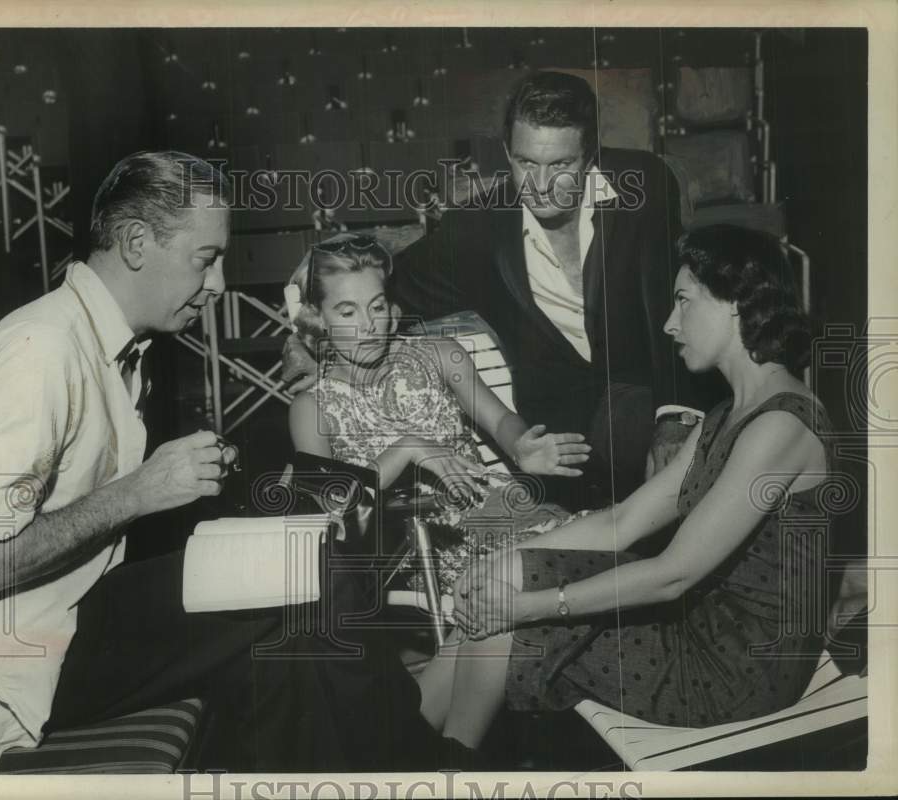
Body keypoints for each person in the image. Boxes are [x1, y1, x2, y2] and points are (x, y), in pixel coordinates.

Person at [0, 151, 461, 772]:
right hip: (26, 659)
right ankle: (414, 761)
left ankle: (386, 761)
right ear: (136, 243)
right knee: (306, 582)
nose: (216, 285)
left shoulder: (104, 344)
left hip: (77, 616)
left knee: (304, 574)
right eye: (205, 260)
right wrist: (141, 490)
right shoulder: (41, 350)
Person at [414, 225, 833, 751]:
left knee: (512, 608)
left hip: (739, 668)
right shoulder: (727, 415)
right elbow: (622, 522)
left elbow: (672, 575)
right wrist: (498, 561)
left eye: (683, 302)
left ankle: (447, 760)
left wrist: (529, 606)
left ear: (735, 303)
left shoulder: (782, 426)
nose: (668, 323)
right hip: (700, 626)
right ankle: (414, 740)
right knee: (502, 580)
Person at [284, 70, 716, 509]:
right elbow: (381, 285)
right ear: (507, 152)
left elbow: (680, 302)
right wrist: (305, 338)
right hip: (556, 442)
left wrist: (676, 415)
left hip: (647, 403)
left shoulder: (642, 186)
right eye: (526, 163)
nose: (541, 185)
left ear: (589, 157)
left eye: (561, 165)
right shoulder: (478, 230)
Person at [286, 233, 590, 595]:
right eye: (347, 311)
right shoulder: (311, 408)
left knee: (605, 549)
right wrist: (406, 449)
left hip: (503, 513)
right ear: (318, 318)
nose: (368, 324)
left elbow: (500, 420)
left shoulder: (441, 355)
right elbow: (333, 508)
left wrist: (520, 446)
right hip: (424, 552)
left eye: (378, 306)